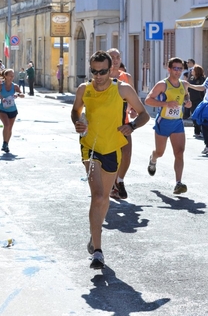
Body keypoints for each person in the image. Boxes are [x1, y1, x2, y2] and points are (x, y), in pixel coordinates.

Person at [71, 50, 150, 269]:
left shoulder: (122, 89)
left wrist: (131, 126)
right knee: (97, 196)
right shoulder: (83, 89)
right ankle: (98, 251)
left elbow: (144, 114)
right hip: (90, 147)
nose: (98, 76)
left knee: (104, 198)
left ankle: (94, 233)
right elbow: (75, 111)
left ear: (110, 69)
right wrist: (78, 123)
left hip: (113, 148)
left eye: (102, 71)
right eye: (94, 72)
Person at [145, 57, 192, 195]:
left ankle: (178, 183)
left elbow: (186, 96)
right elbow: (148, 100)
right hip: (163, 122)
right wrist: (166, 104)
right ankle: (153, 159)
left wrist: (187, 102)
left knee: (179, 152)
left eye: (180, 69)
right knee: (160, 152)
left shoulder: (183, 84)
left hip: (177, 122)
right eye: (175, 68)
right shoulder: (162, 85)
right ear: (169, 69)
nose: (178, 71)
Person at [107, 48, 136, 200]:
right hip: (107, 124)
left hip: (124, 122)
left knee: (127, 153)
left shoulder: (127, 77)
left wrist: (133, 110)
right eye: (112, 57)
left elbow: (133, 98)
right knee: (111, 156)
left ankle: (120, 181)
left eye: (118, 57)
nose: (116, 60)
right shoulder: (101, 78)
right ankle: (111, 184)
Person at [0, 68, 24, 153]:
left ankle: (6, 144)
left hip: (13, 110)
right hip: (2, 110)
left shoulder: (15, 86)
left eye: (13, 76)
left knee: (10, 128)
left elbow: (22, 95)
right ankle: (4, 143)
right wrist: (1, 96)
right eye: (10, 75)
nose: (12, 77)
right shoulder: (1, 85)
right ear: (6, 76)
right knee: (6, 125)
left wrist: (18, 94)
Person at [188, 64, 205, 137]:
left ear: (197, 71)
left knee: (199, 115)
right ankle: (197, 131)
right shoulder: (191, 78)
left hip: (199, 99)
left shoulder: (202, 79)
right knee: (194, 116)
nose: (192, 71)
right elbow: (188, 88)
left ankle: (200, 131)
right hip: (192, 99)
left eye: (193, 70)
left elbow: (203, 88)